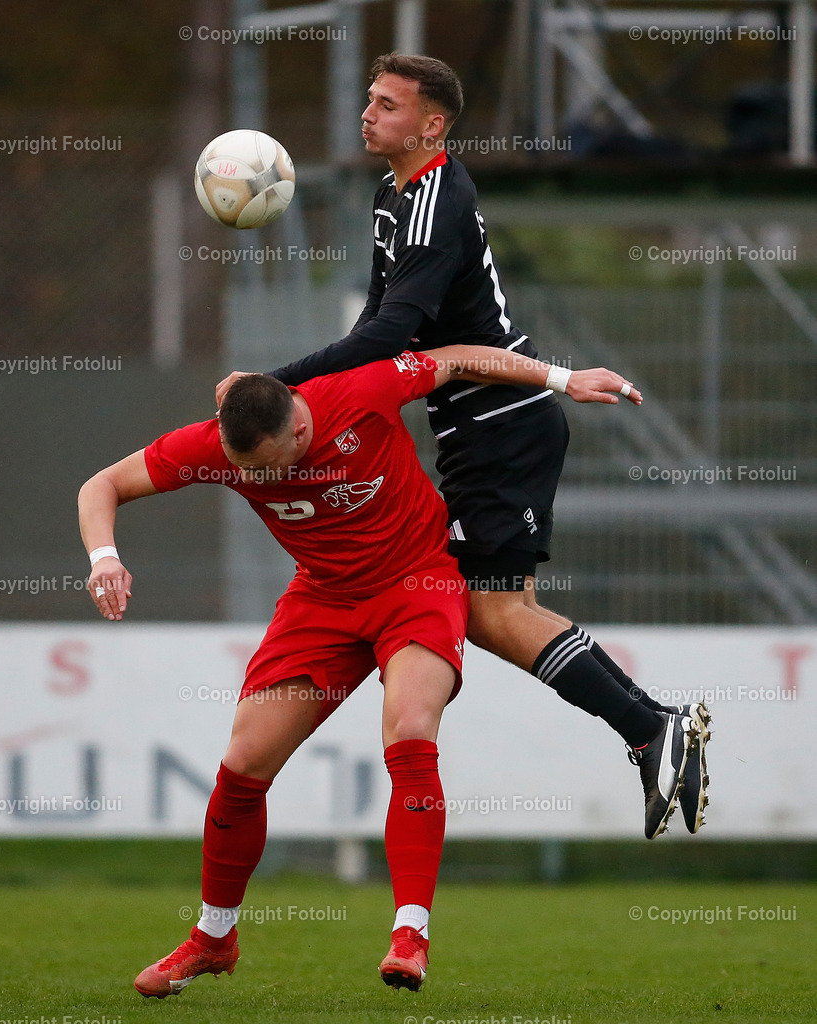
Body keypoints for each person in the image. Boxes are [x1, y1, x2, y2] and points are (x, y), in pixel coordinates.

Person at [216, 53, 710, 841]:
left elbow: (387, 336)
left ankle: (650, 729)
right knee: (488, 607)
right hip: (476, 427)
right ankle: (651, 726)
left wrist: (268, 389)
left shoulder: (433, 201)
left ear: (431, 124)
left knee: (492, 608)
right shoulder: (395, 193)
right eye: (369, 99)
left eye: (386, 104)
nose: (368, 113)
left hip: (503, 426)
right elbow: (375, 335)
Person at [78, 343, 640, 997]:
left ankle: (410, 935)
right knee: (243, 764)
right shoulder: (213, 446)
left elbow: (455, 358)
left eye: (268, 467)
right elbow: (102, 485)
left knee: (408, 726)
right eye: (244, 471)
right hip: (322, 600)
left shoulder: (359, 394)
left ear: (298, 424)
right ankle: (212, 938)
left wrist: (563, 378)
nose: (259, 480)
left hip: (417, 582)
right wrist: (103, 556)